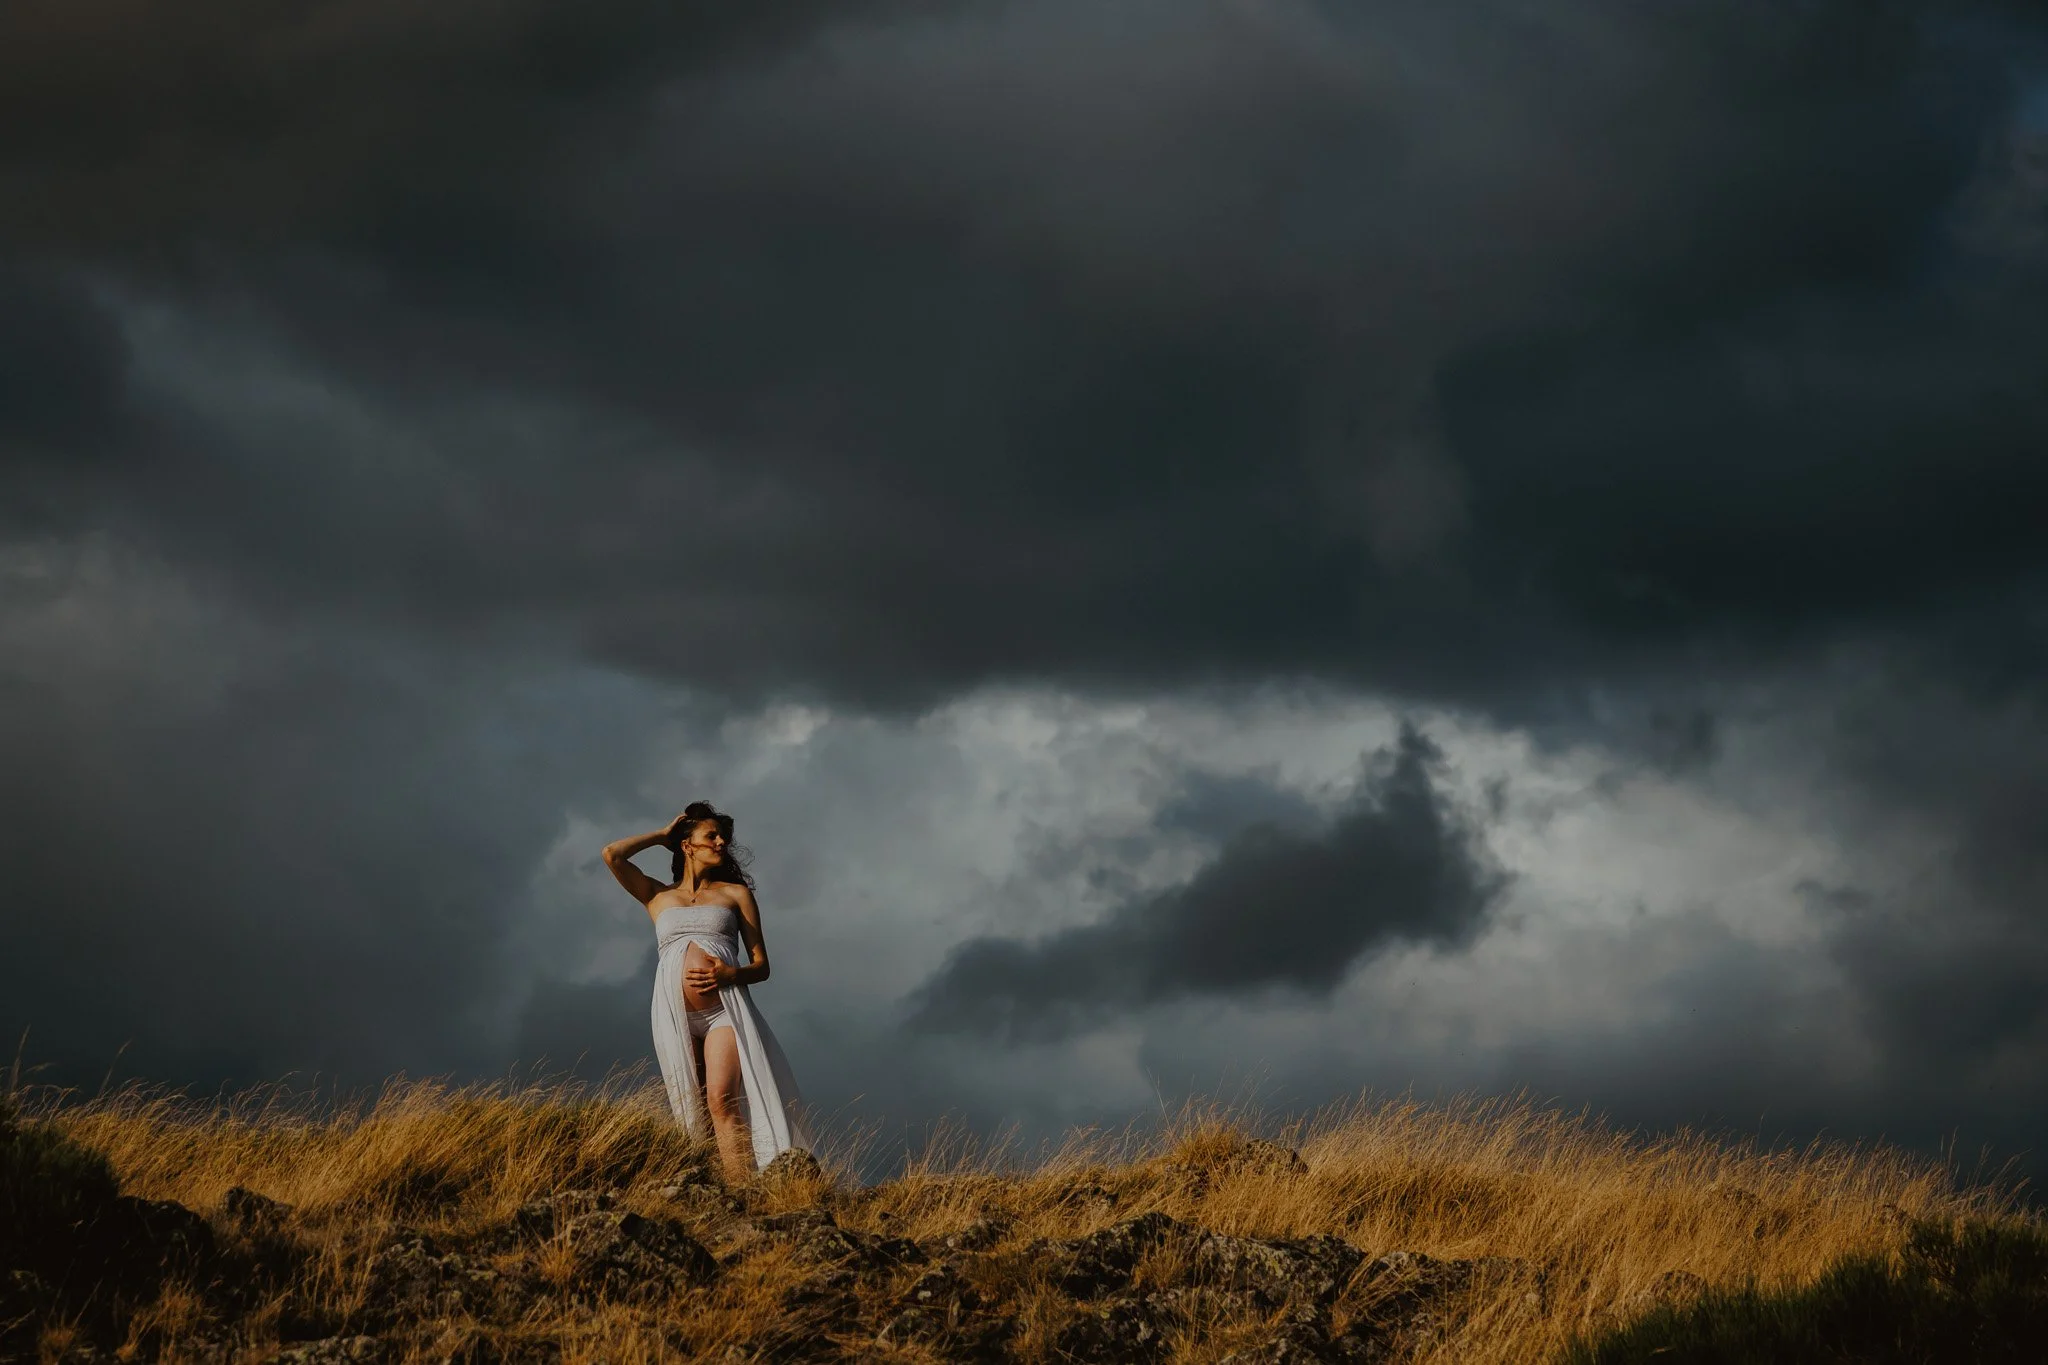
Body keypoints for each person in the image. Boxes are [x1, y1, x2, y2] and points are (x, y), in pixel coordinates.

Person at [601, 801, 814, 1179]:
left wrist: (731, 974)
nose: (721, 843)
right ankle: (708, 1187)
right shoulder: (657, 896)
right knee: (694, 1109)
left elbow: (762, 966)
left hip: (723, 1012)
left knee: (721, 1100)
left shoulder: (735, 895)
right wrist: (661, 836)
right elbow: (612, 855)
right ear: (687, 844)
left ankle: (741, 1188)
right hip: (675, 1014)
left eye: (723, 838)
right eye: (711, 836)